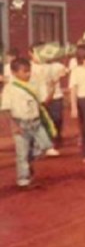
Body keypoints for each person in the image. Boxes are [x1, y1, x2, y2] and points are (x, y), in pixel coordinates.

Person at [1, 58, 57, 188]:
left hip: (36, 122)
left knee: (46, 145)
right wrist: (14, 125)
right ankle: (23, 180)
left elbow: (43, 102)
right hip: (20, 123)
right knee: (22, 153)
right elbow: (6, 109)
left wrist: (52, 88)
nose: (28, 74)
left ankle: (28, 160)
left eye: (29, 71)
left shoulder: (34, 84)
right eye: (24, 71)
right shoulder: (10, 88)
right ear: (14, 73)